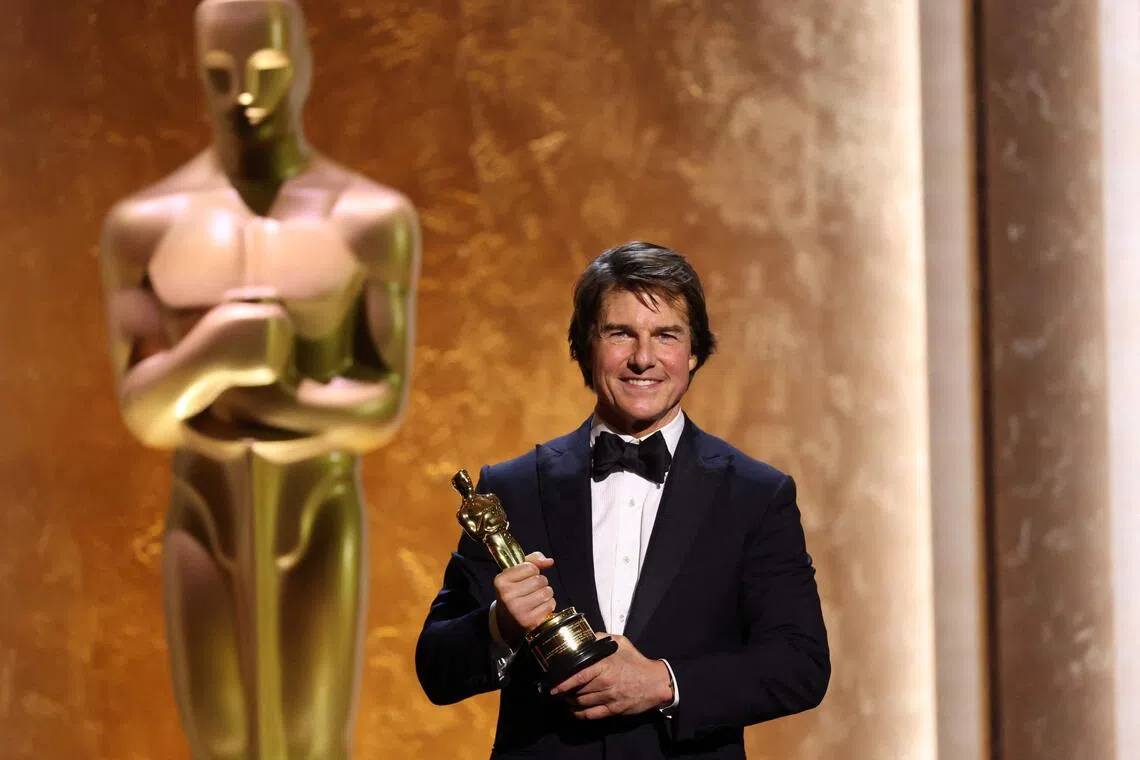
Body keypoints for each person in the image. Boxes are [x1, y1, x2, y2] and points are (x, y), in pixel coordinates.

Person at [98, 1, 420, 758]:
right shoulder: (145, 223)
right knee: (220, 739)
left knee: (312, 739)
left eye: (267, 71)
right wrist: (210, 353)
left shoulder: (368, 218)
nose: (244, 94)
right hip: (202, 503)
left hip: (317, 503)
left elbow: (380, 408)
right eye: (221, 74)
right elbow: (143, 412)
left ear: (304, 65)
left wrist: (272, 395)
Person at [416, 242, 828, 759]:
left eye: (666, 336)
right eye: (620, 333)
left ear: (694, 351)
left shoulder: (756, 495)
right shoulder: (511, 489)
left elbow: (800, 664)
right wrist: (498, 625)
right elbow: (435, 669)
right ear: (585, 347)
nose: (642, 358)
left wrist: (663, 682)